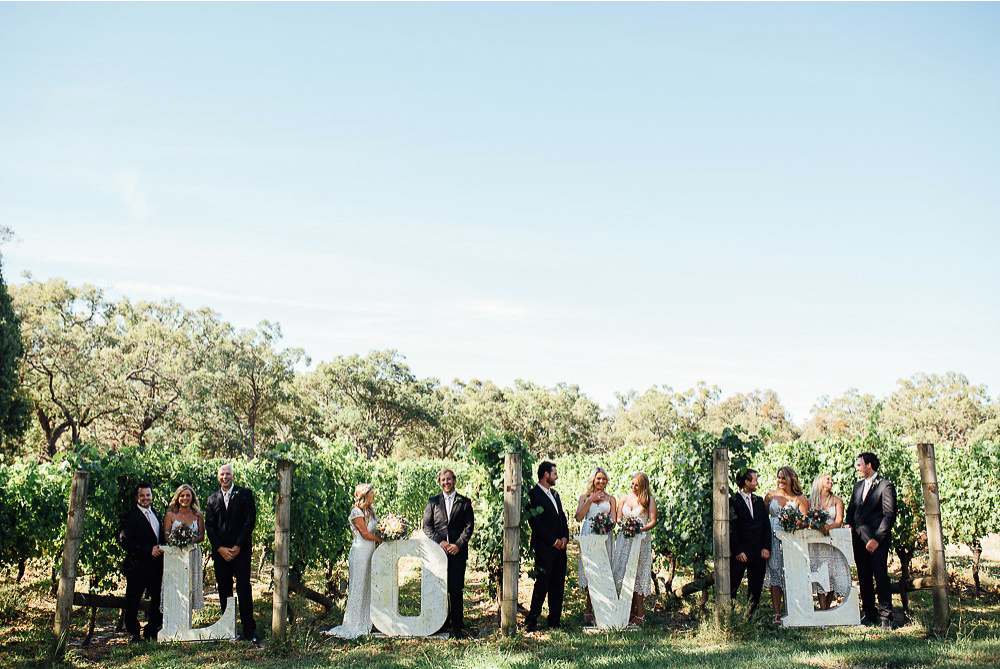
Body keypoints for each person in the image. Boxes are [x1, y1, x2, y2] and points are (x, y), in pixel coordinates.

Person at [205, 464, 257, 642]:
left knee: (243, 589)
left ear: (233, 476)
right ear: (218, 477)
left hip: (240, 552)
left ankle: (249, 630)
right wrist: (220, 548)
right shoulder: (212, 499)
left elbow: (250, 521)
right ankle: (228, 629)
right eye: (221, 474)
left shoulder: (245, 494)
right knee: (224, 590)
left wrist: (238, 546)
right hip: (221, 553)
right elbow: (210, 527)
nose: (224, 477)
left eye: (228, 474)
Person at [845, 452, 897, 629]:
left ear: (869, 465)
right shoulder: (857, 486)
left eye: (859, 465)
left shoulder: (885, 486)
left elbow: (889, 515)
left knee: (880, 576)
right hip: (858, 540)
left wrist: (877, 539)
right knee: (864, 577)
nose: (856, 468)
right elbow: (851, 509)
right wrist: (849, 525)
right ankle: (869, 613)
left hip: (876, 541)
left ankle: (886, 617)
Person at [422, 468, 475, 637]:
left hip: (458, 553)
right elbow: (427, 526)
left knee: (456, 589)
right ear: (440, 482)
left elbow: (469, 527)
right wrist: (441, 543)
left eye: (449, 479)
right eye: (443, 480)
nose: (446, 482)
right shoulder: (433, 502)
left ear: (454, 480)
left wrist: (458, 545)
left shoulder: (465, 502)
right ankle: (441, 623)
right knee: (440, 588)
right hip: (439, 553)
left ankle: (457, 625)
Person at [325, 483, 381, 638]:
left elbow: (375, 530)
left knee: (367, 586)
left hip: (371, 552)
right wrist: (382, 539)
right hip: (360, 552)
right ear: (365, 495)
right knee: (358, 586)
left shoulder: (370, 511)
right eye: (372, 493)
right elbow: (364, 534)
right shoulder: (356, 512)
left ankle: (365, 622)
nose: (374, 496)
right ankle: (352, 625)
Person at [525, 461, 569, 632]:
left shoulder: (555, 494)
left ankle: (554, 621)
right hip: (545, 547)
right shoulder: (533, 495)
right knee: (542, 583)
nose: (556, 476)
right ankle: (532, 620)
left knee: (558, 584)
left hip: (560, 548)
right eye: (554, 473)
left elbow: (562, 518)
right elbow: (536, 524)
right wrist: (553, 541)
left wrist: (565, 537)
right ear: (546, 475)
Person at [763, 466, 810, 625]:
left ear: (791, 479)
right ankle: (776, 612)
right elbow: (763, 519)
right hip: (773, 537)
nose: (781, 481)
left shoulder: (799, 498)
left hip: (792, 539)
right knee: (775, 572)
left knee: (791, 573)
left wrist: (795, 523)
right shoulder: (770, 495)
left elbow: (805, 522)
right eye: (779, 477)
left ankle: (793, 610)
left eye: (784, 478)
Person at [119, 482, 163, 643]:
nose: (145, 498)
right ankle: (133, 633)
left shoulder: (157, 514)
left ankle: (152, 630)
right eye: (142, 495)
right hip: (137, 566)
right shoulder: (130, 516)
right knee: (133, 600)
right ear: (137, 497)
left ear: (152, 496)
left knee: (157, 600)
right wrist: (147, 549)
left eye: (148, 495)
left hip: (156, 567)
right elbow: (125, 542)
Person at [612, 471, 657, 626]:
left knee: (638, 573)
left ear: (643, 486)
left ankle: (640, 614)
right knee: (624, 572)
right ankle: (627, 611)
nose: (633, 487)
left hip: (640, 540)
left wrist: (640, 529)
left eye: (636, 485)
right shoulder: (624, 498)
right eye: (632, 484)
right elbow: (618, 518)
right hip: (625, 539)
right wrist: (625, 525)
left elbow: (652, 521)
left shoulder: (648, 499)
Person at [574, 467, 617, 626]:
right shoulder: (584, 497)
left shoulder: (611, 499)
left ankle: (601, 610)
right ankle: (588, 611)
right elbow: (579, 517)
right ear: (593, 480)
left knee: (602, 572)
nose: (601, 482)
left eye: (604, 479)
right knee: (591, 572)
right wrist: (591, 500)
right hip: (589, 535)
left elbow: (613, 521)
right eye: (598, 479)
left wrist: (605, 526)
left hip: (604, 536)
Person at [729, 469, 772, 614]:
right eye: (755, 480)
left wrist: (766, 547)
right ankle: (730, 614)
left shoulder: (758, 501)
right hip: (741, 552)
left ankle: (752, 616)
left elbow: (766, 526)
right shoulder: (732, 501)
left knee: (756, 586)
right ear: (746, 482)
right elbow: (732, 528)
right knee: (733, 584)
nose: (757, 483)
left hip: (758, 552)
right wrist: (737, 550)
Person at [161, 484, 206, 613]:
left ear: (192, 497)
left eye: (188, 495)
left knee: (190, 584)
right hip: (175, 554)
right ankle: (173, 614)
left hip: (192, 553)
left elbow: (202, 536)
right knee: (175, 585)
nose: (185, 498)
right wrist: (177, 540)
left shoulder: (198, 515)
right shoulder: (170, 515)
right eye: (182, 495)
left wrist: (188, 541)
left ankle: (187, 616)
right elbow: (166, 536)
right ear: (177, 497)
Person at [807, 474, 849, 610]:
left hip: (832, 540)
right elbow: (807, 519)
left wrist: (827, 527)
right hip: (816, 542)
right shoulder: (810, 501)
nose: (831, 481)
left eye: (831, 479)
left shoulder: (837, 501)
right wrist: (817, 526)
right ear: (820, 482)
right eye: (828, 479)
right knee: (818, 571)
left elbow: (839, 521)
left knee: (831, 573)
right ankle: (822, 606)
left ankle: (828, 607)